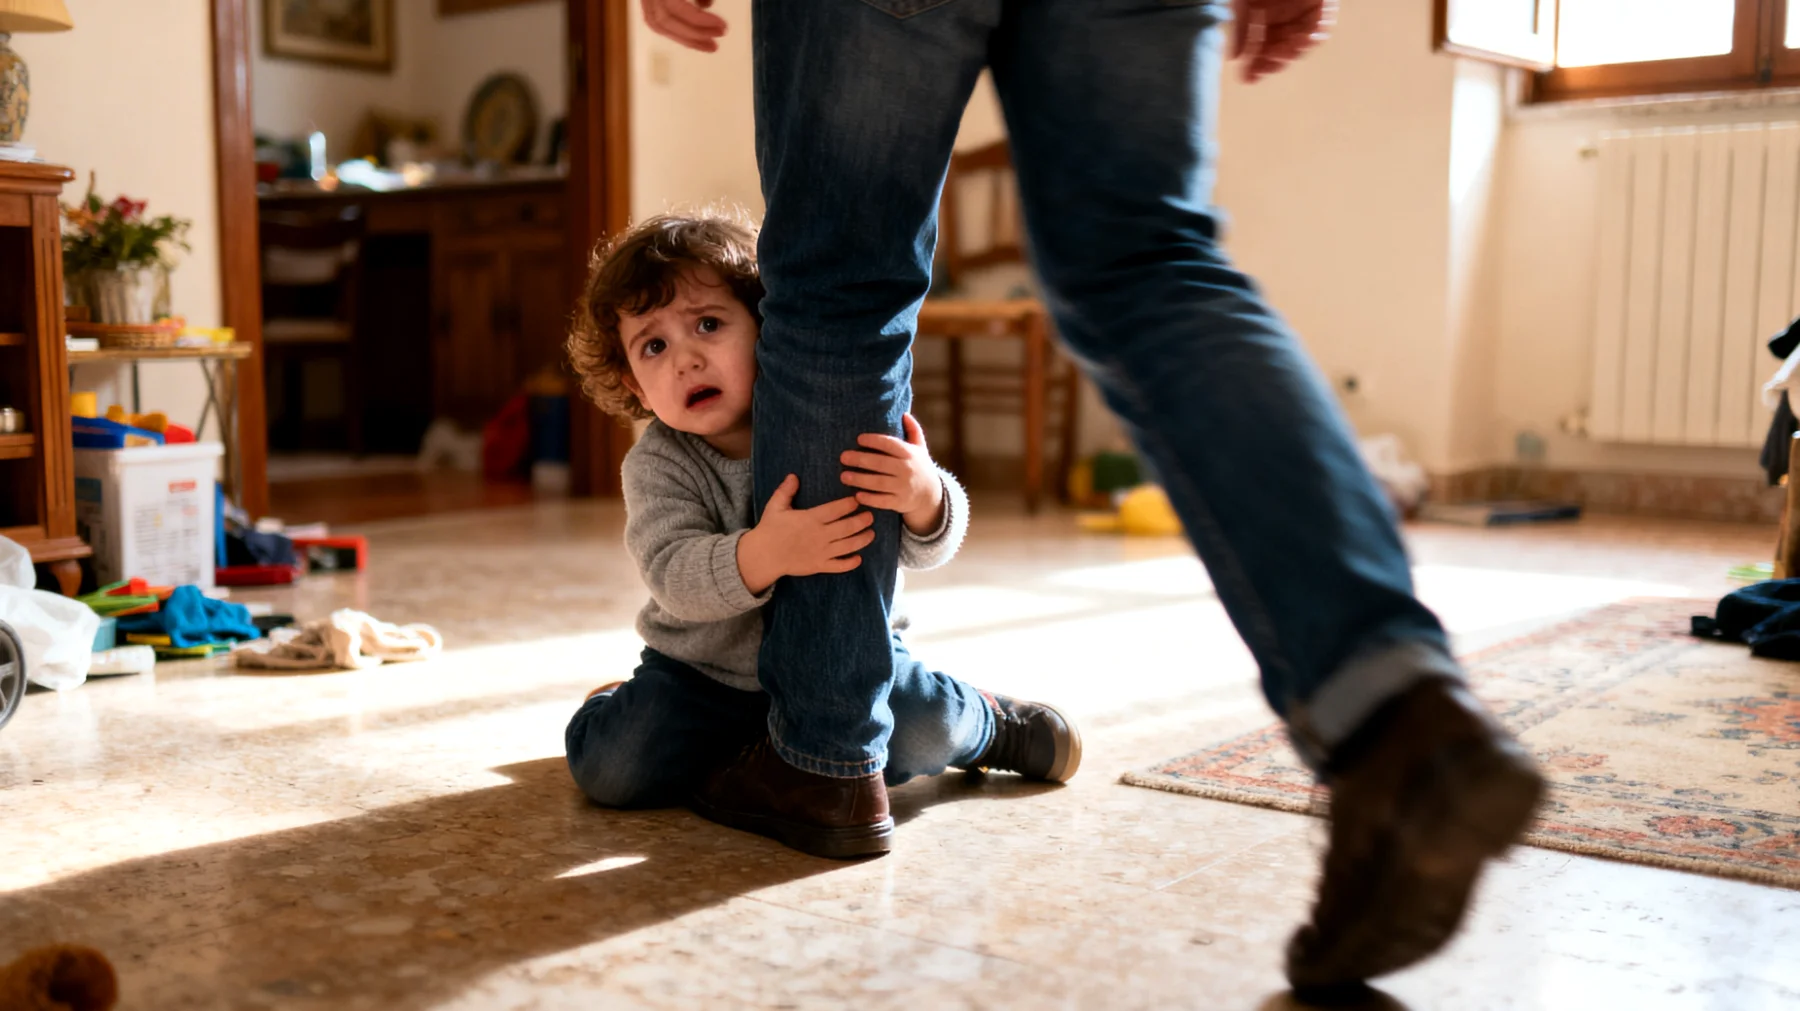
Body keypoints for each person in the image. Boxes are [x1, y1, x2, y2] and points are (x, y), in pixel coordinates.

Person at [637, 0, 1545, 994]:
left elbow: (931, 518)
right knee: (1153, 265)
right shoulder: (663, 466)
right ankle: (1393, 707)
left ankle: (821, 754)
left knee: (837, 290)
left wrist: (930, 497)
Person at [562, 214, 1083, 859]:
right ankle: (615, 704)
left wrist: (925, 496)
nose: (687, 358)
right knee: (613, 769)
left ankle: (988, 723)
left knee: (918, 732)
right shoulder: (659, 463)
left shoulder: (827, 423)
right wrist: (765, 553)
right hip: (702, 676)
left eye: (708, 324)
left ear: (766, 327)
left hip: (857, 667)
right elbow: (672, 576)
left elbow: (920, 547)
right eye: (653, 346)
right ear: (631, 383)